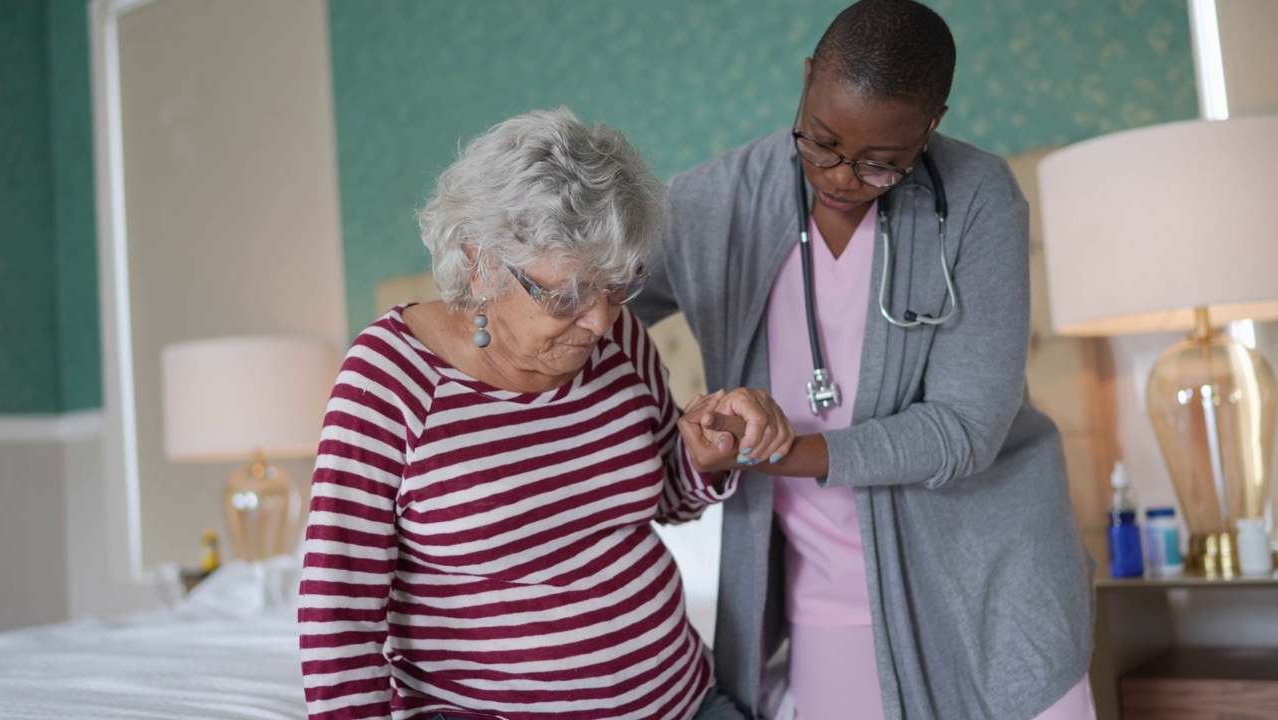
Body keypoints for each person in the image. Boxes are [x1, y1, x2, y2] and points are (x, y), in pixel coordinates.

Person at [630, 1, 1095, 719]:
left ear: (932, 122)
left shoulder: (977, 199)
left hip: (984, 578)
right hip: (823, 592)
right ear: (808, 77)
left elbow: (966, 429)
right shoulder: (709, 204)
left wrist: (782, 452)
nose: (842, 177)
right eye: (820, 142)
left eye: (882, 163)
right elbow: (588, 319)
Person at [296, 108, 792, 720]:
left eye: (617, 284)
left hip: (683, 700)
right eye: (566, 294)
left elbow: (665, 500)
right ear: (479, 263)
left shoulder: (622, 341)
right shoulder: (389, 379)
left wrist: (701, 460)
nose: (601, 321)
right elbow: (338, 612)